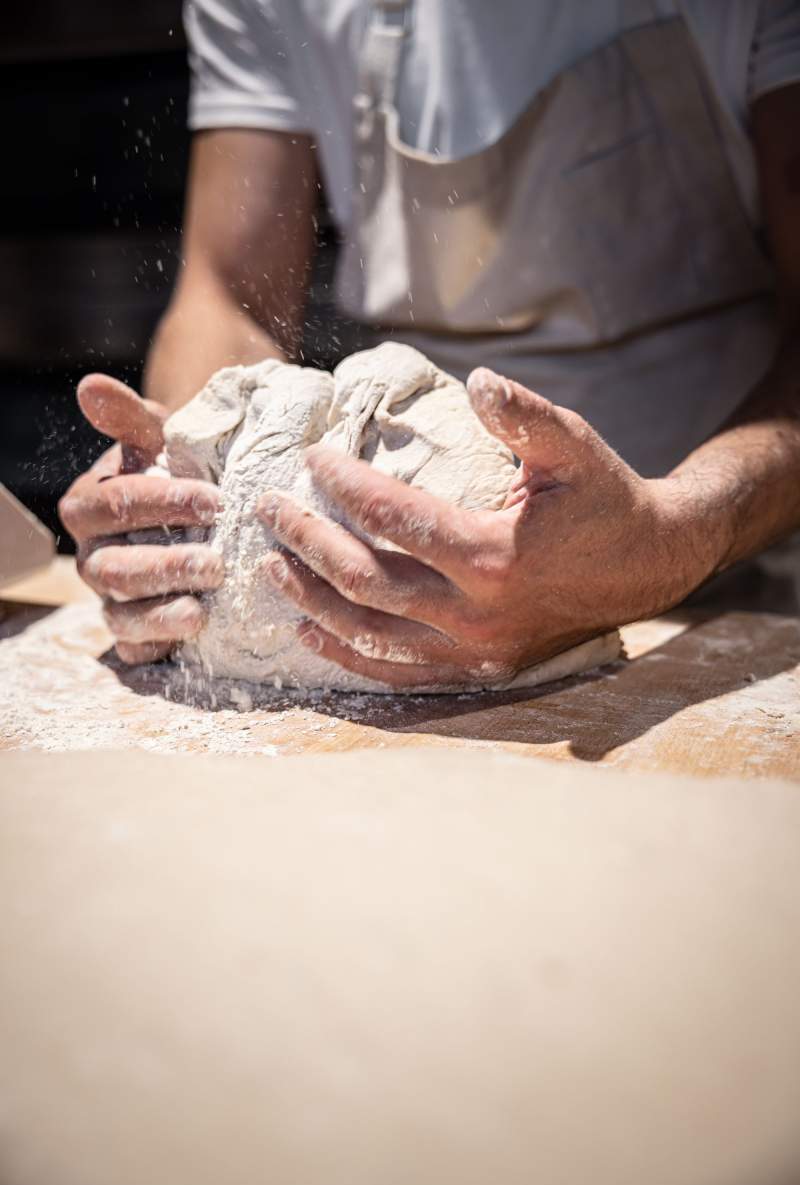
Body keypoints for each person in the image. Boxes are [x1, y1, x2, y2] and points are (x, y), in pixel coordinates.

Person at [60, 1, 800, 689]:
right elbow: (228, 292)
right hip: (385, 577)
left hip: (734, 536)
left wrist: (676, 535)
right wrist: (181, 489)